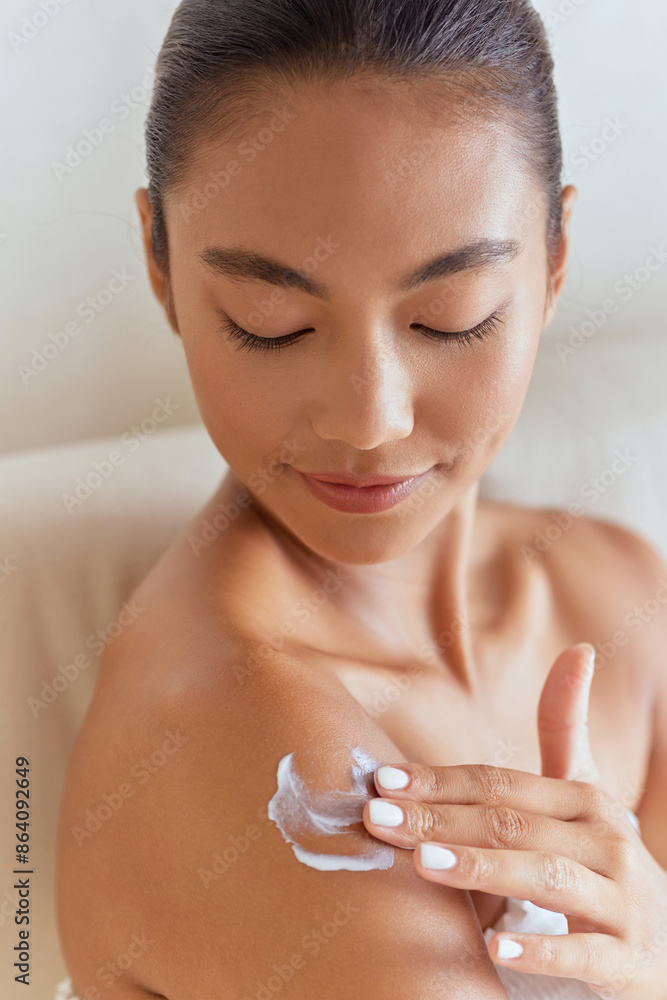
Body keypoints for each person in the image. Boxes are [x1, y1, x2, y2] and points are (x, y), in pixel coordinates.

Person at [55, 0, 667, 997]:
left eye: (450, 317)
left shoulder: (618, 597)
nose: (368, 420)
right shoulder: (232, 745)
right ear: (159, 262)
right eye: (271, 323)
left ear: (554, 261)